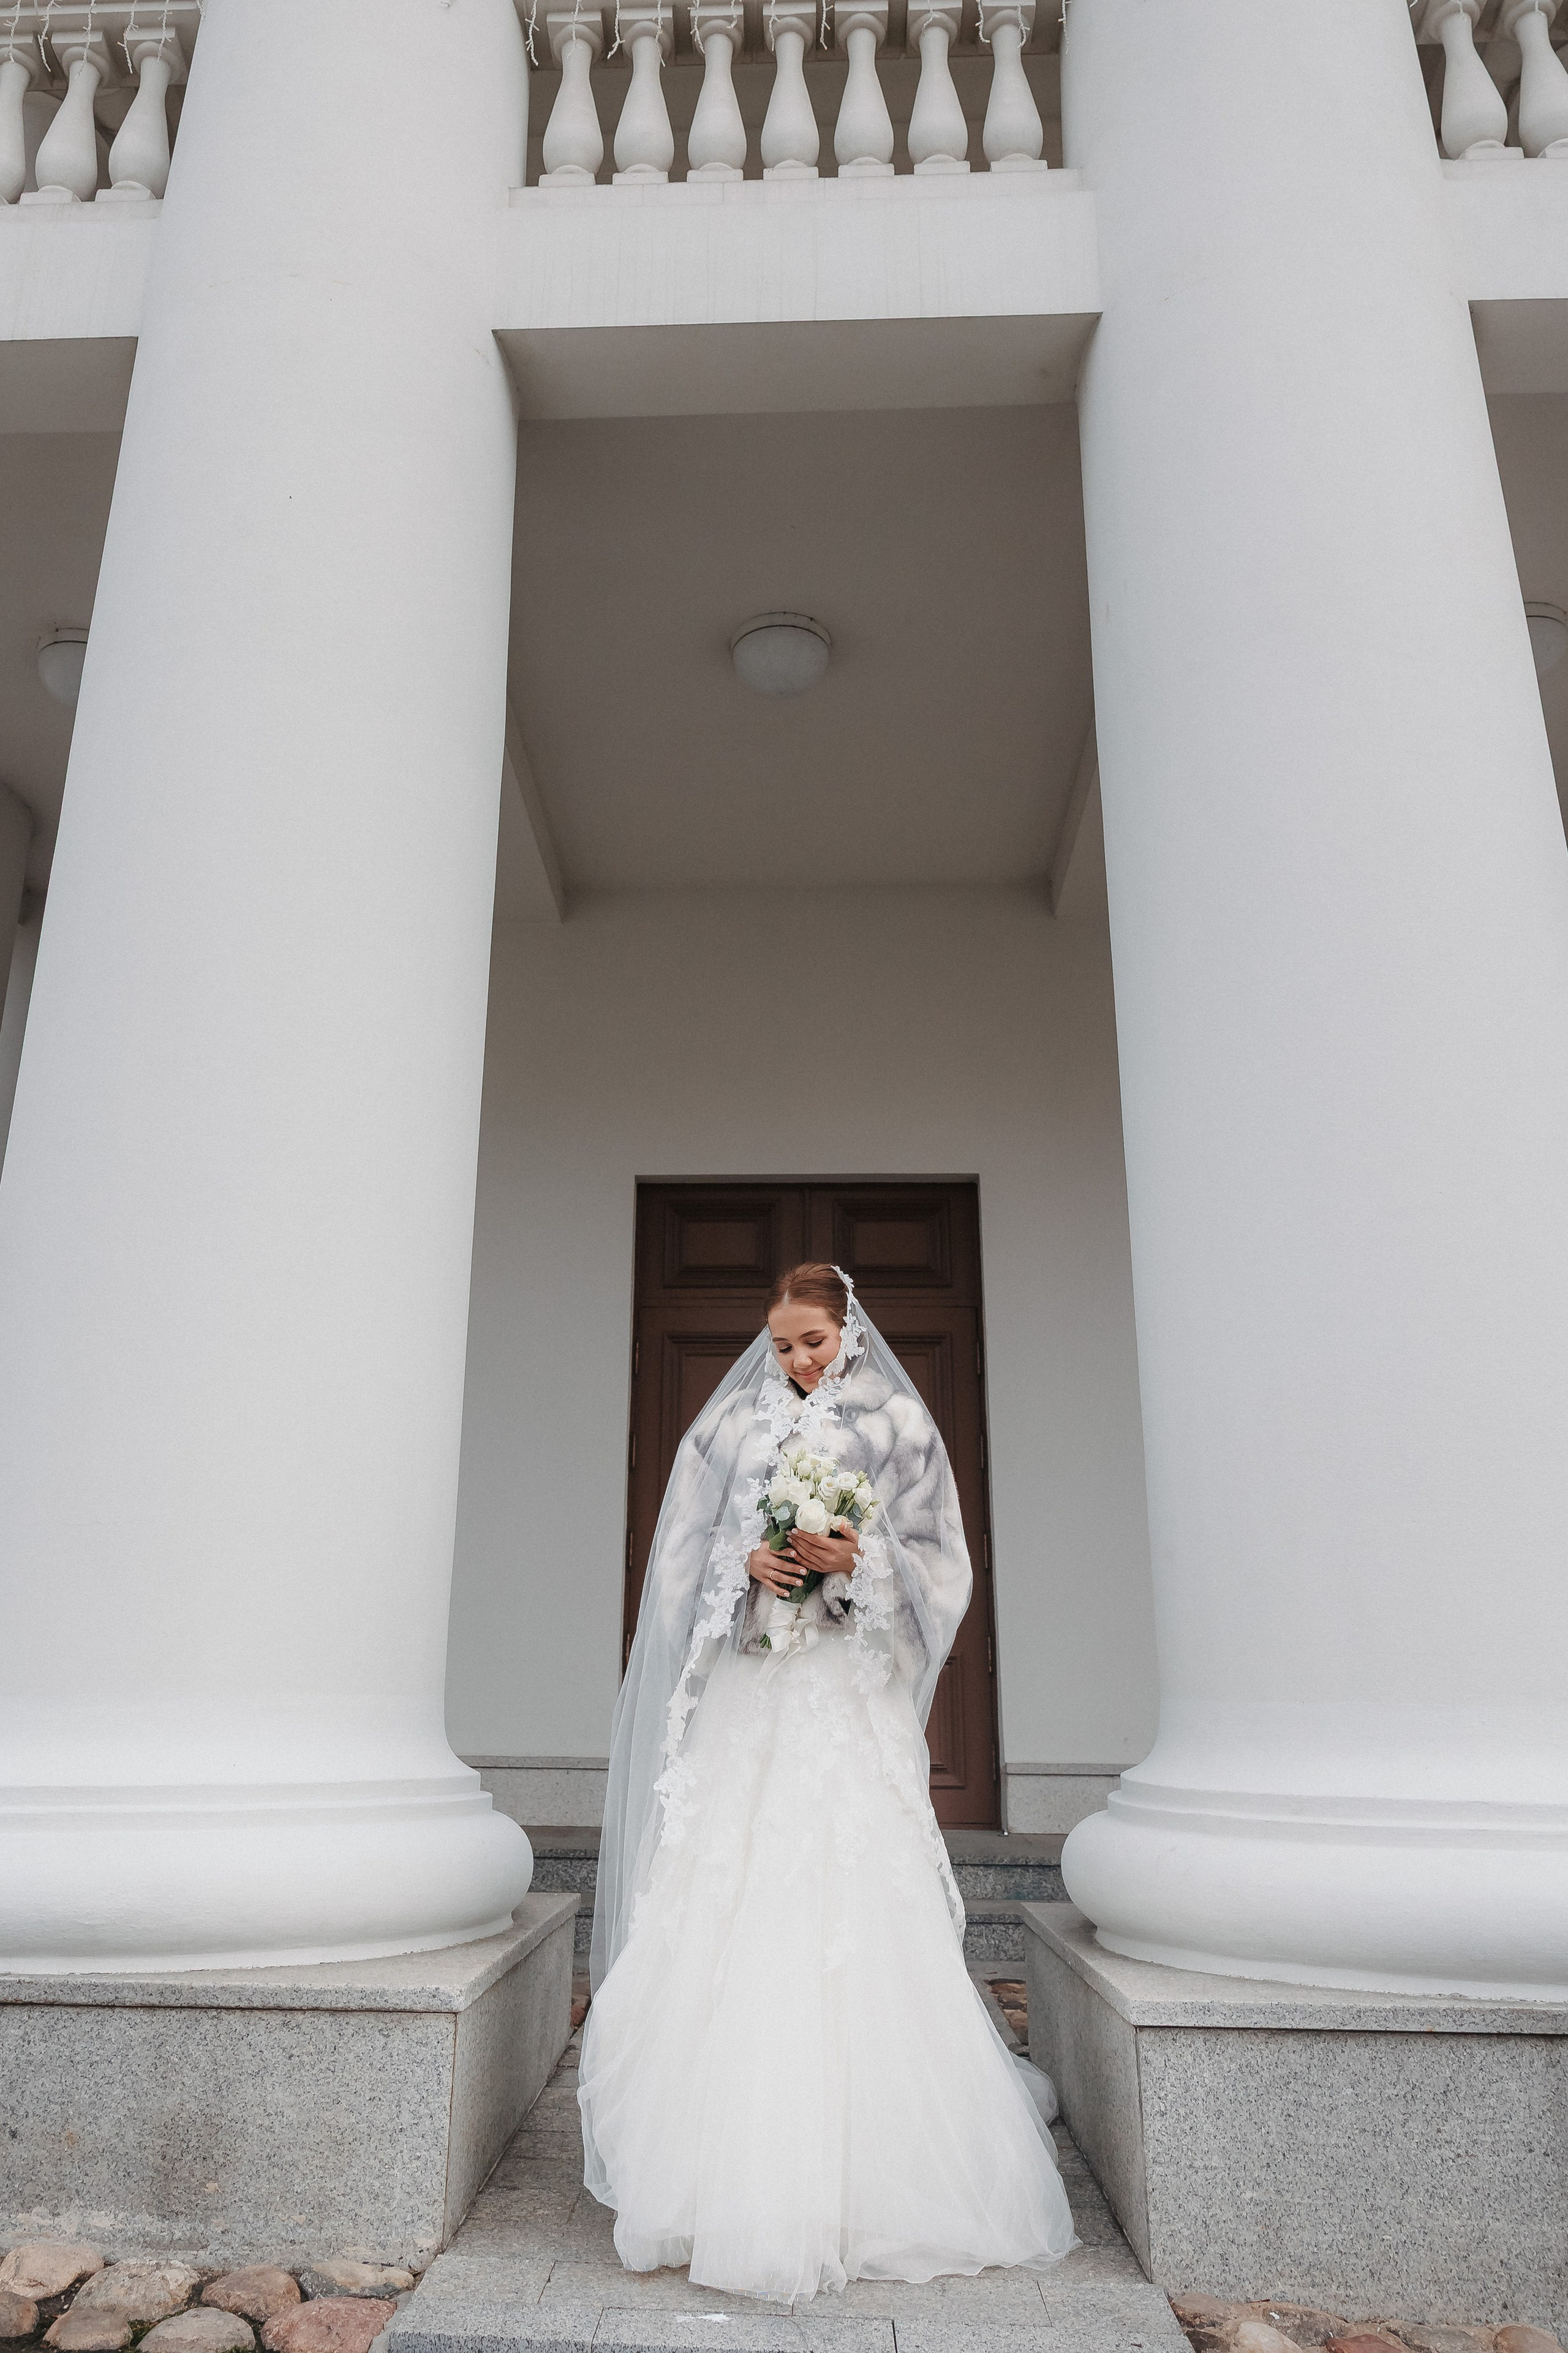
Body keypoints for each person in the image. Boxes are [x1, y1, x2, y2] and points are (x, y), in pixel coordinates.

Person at [578, 1261, 1077, 2303]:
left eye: (812, 1340)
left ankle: (875, 2172)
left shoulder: (896, 1422)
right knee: (735, 1889)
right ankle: (715, 2167)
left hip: (843, 1701)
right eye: (780, 1343)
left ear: (847, 1333)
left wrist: (859, 1563)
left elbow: (944, 1561)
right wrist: (742, 1569)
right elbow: (679, 1559)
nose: (797, 1359)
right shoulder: (727, 1434)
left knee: (847, 1895)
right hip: (752, 1698)